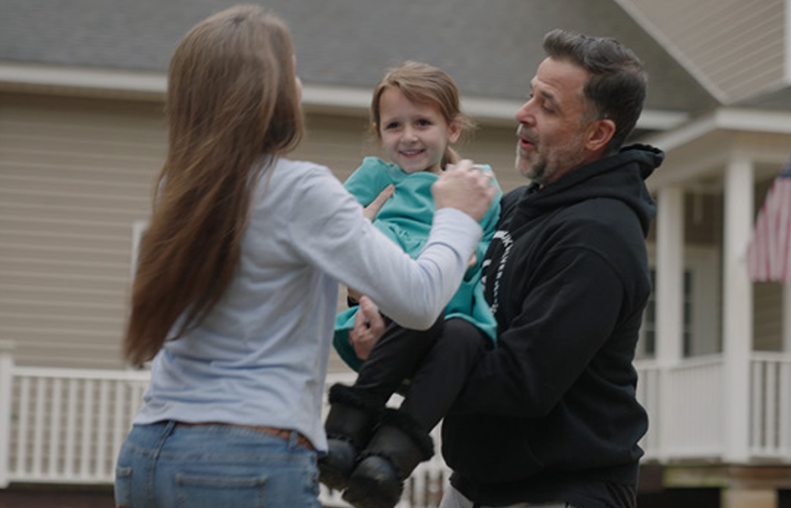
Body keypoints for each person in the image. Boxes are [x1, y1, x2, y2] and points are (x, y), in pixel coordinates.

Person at [112, 6, 497, 508]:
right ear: (267, 90)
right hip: (244, 458)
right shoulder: (301, 189)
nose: (298, 82)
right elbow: (423, 302)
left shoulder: (179, 186)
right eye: (290, 68)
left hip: (145, 452)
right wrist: (458, 216)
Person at [352, 30, 663, 508]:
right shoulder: (519, 205)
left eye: (548, 105)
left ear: (597, 134)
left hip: (559, 491)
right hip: (476, 484)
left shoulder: (598, 238)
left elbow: (520, 384)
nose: (523, 113)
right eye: (529, 94)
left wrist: (403, 359)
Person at [319, 62, 501, 508]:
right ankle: (344, 433)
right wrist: (357, 278)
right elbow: (330, 234)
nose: (408, 136)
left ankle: (389, 460)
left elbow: (486, 251)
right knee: (415, 306)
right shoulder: (377, 179)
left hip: (453, 312)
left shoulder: (476, 184)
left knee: (464, 336)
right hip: (385, 310)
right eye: (394, 125)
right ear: (378, 131)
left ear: (453, 129)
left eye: (423, 122)